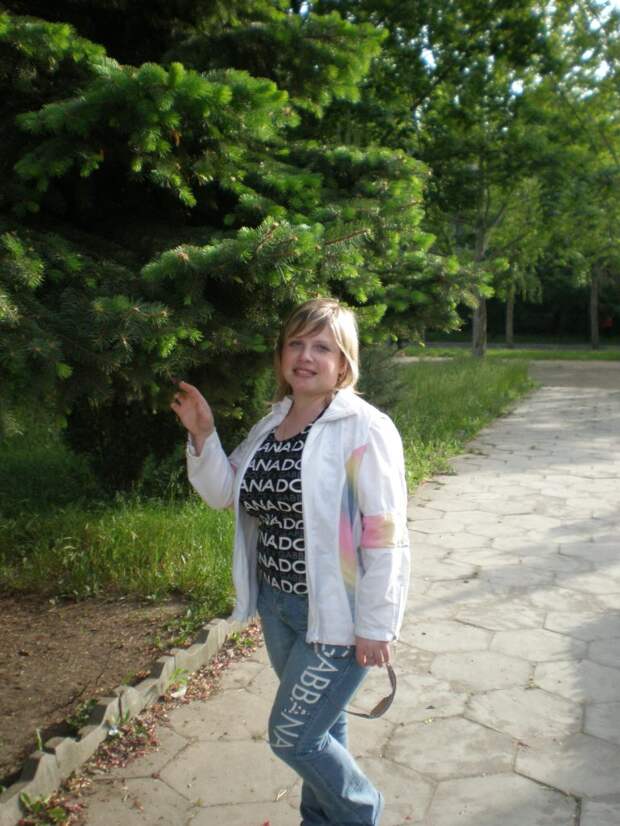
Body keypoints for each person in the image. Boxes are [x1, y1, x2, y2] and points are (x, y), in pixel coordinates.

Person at [171, 298, 410, 826]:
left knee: (292, 736)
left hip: (338, 615)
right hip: (278, 607)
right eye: (295, 344)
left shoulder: (364, 429)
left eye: (321, 347)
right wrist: (204, 434)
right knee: (323, 727)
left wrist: (376, 624)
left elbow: (384, 533)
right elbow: (226, 492)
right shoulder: (271, 424)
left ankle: (361, 812)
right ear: (281, 356)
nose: (305, 356)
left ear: (343, 364)